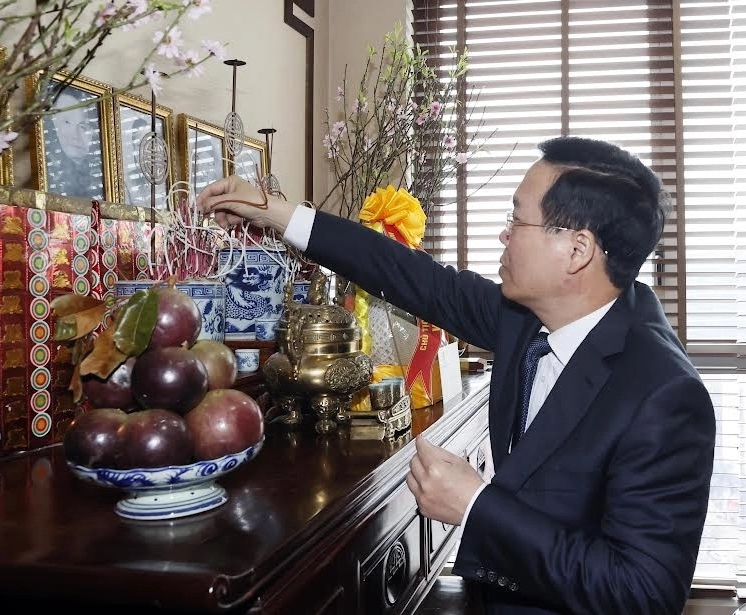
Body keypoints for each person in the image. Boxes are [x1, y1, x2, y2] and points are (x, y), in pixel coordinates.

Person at [196, 136, 716, 614]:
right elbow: (411, 276)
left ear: (576, 251)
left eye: (518, 221)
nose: (503, 234)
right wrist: (278, 214)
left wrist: (474, 506)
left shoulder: (663, 395)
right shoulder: (528, 318)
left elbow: (642, 593)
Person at [44, 86, 104, 199]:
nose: (76, 136)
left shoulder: (102, 179)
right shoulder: (49, 178)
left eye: (83, 126)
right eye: (67, 122)